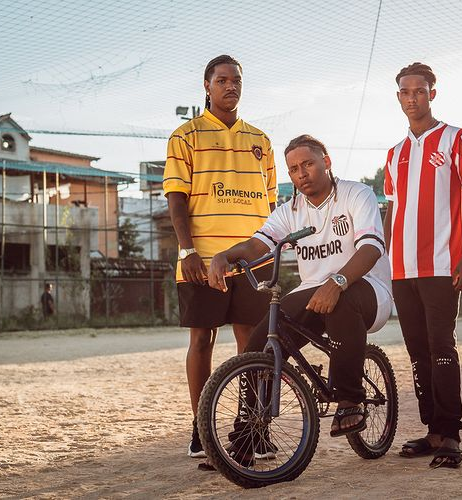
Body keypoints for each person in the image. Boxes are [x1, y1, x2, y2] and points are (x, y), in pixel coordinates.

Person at [207, 134, 393, 454]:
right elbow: (257, 245)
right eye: (293, 169)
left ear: (327, 162)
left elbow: (372, 248)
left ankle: (350, 399)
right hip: (313, 291)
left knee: (341, 301)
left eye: (308, 164)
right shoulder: (289, 210)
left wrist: (336, 281)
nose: (301, 173)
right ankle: (250, 432)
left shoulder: (355, 194)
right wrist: (224, 256)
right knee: (259, 344)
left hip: (368, 288)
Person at [162, 55, 277, 465]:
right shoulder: (185, 136)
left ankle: (252, 427)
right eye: (222, 80)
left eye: (237, 80)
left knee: (251, 342)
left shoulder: (261, 141)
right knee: (202, 340)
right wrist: (187, 250)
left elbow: (272, 205)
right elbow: (176, 199)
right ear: (206, 86)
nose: (231, 86)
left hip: (252, 262)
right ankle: (202, 427)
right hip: (202, 259)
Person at [384, 62, 462, 468]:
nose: (413, 98)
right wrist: (385, 260)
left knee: (441, 347)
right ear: (399, 98)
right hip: (402, 269)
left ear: (432, 93)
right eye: (406, 92)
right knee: (417, 351)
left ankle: (452, 436)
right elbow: (391, 213)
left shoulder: (457, 139)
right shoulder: (395, 155)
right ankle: (432, 431)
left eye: (420, 91)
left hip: (443, 265)